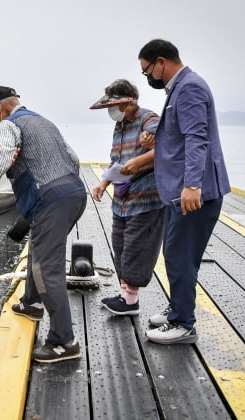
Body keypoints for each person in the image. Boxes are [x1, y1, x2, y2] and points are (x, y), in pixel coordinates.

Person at [0, 85, 87, 363]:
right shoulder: (43, 121)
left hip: (51, 200)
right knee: (38, 247)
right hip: (75, 192)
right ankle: (31, 302)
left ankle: (63, 342)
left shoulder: (9, 126)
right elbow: (73, 159)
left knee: (46, 269)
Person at [138, 39, 230, 344]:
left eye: (147, 70)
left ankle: (183, 323)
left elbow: (196, 138)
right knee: (178, 254)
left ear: (161, 62)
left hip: (193, 193)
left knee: (178, 256)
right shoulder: (182, 87)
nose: (148, 77)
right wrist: (158, 136)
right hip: (185, 191)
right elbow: (181, 131)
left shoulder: (189, 87)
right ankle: (178, 308)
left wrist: (193, 185)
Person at [89, 79, 165, 316]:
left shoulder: (148, 119)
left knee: (137, 246)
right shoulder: (120, 126)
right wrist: (103, 183)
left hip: (146, 196)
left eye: (115, 106)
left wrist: (143, 154)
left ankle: (131, 301)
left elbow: (169, 145)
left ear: (129, 102)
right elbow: (116, 161)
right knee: (120, 243)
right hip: (122, 199)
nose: (112, 112)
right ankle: (125, 295)